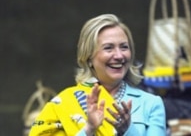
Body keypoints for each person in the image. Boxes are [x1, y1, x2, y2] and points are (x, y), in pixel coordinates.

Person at [29, 14, 167, 136]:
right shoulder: (66, 102)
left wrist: (128, 130)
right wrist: (89, 129)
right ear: (89, 57)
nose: (119, 55)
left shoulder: (151, 103)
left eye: (124, 47)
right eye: (108, 48)